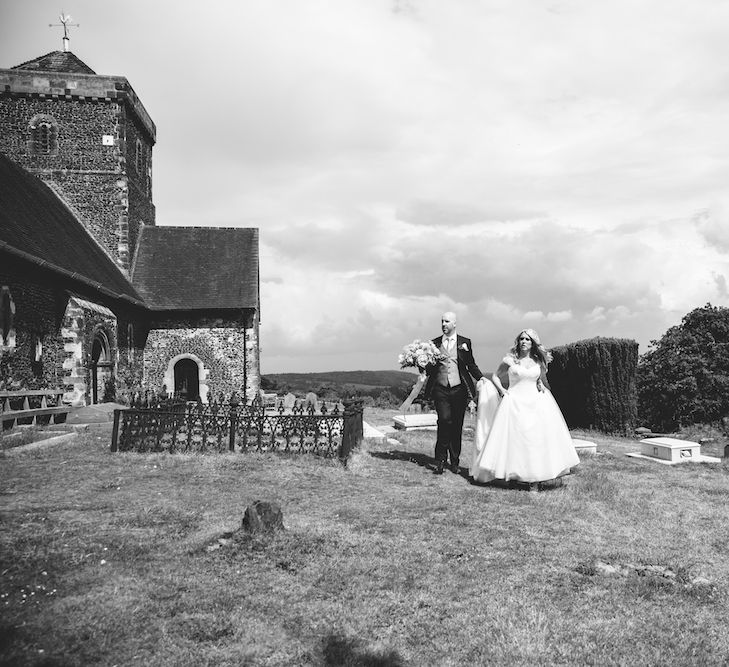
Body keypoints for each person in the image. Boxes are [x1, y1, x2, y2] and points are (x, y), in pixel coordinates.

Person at [469, 329, 579, 487]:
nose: (524, 342)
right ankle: (514, 476)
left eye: (527, 339)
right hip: (514, 402)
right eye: (521, 339)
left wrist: (540, 384)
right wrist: (502, 391)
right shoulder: (509, 360)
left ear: (532, 343)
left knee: (534, 440)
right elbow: (495, 376)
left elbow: (540, 378)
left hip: (536, 403)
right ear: (518, 342)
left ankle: (534, 479)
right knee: (514, 440)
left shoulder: (538, 361)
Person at [424, 312, 487, 475]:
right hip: (440, 388)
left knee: (457, 424)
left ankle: (455, 461)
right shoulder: (434, 343)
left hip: (459, 389)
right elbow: (429, 368)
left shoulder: (465, 342)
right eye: (442, 321)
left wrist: (480, 377)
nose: (443, 324)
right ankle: (439, 460)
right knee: (444, 420)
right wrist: (421, 362)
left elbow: (470, 364)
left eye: (447, 321)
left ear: (454, 324)